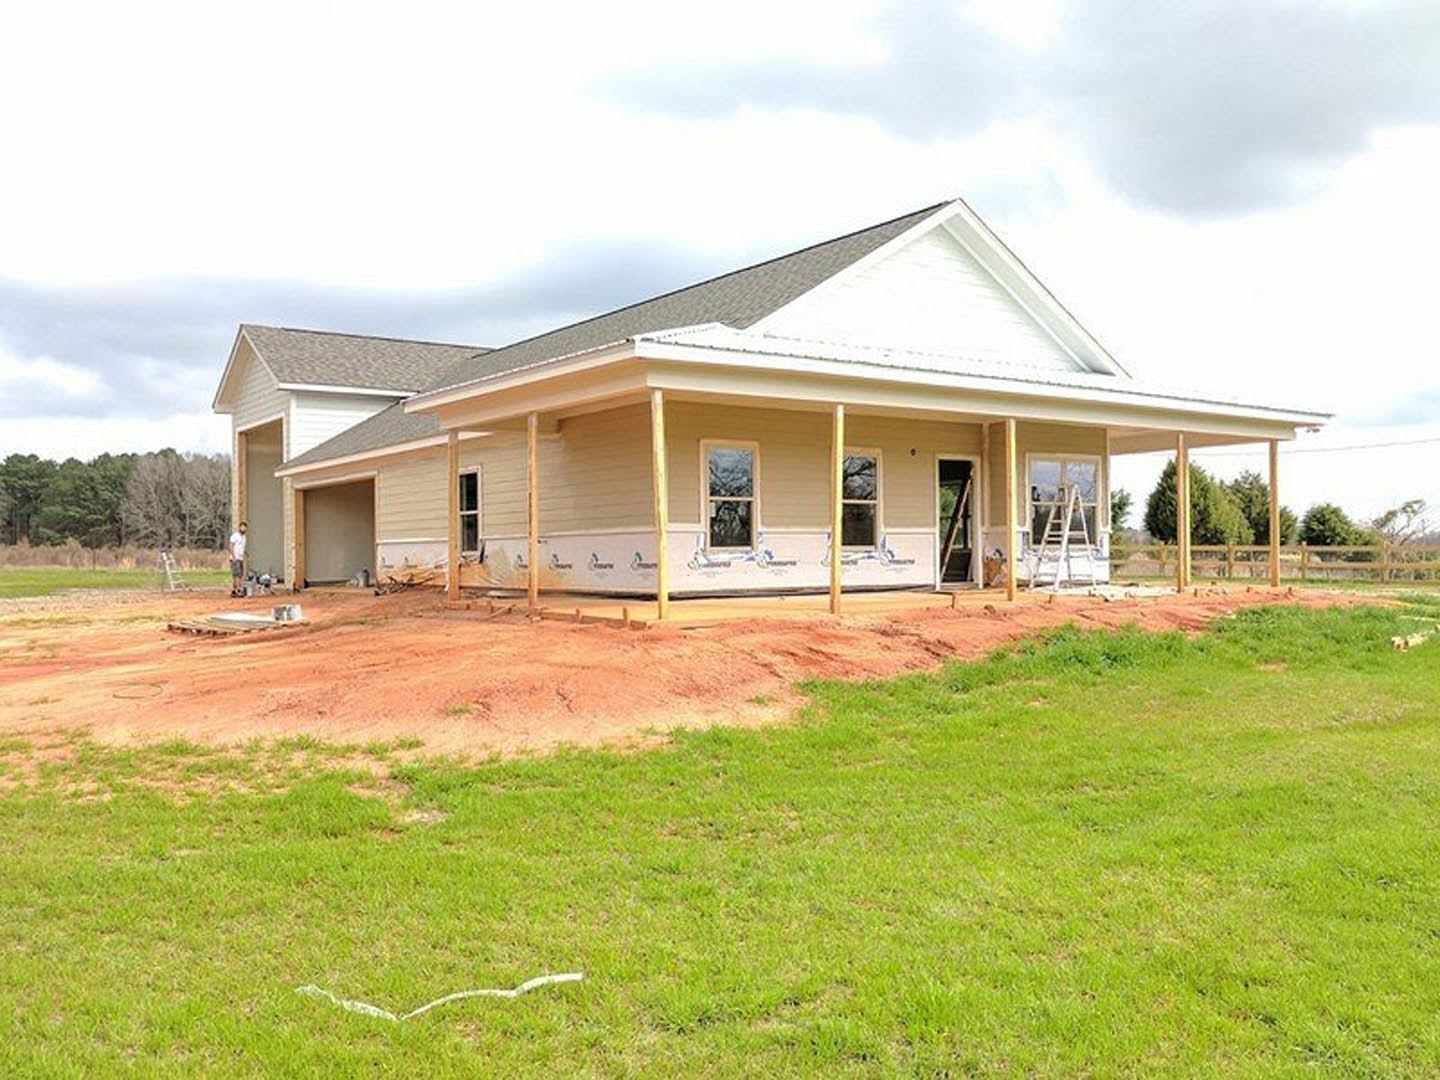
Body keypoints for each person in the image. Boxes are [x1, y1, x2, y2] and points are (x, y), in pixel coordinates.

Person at [229, 521, 248, 598]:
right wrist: (233, 556)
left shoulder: (244, 537)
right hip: (235, 558)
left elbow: (242, 547)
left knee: (240, 575)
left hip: (241, 558)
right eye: (243, 527)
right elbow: (231, 546)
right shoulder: (235, 536)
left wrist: (246, 553)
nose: (244, 529)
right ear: (239, 527)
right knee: (237, 574)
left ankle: (234, 590)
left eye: (245, 528)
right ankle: (238, 590)